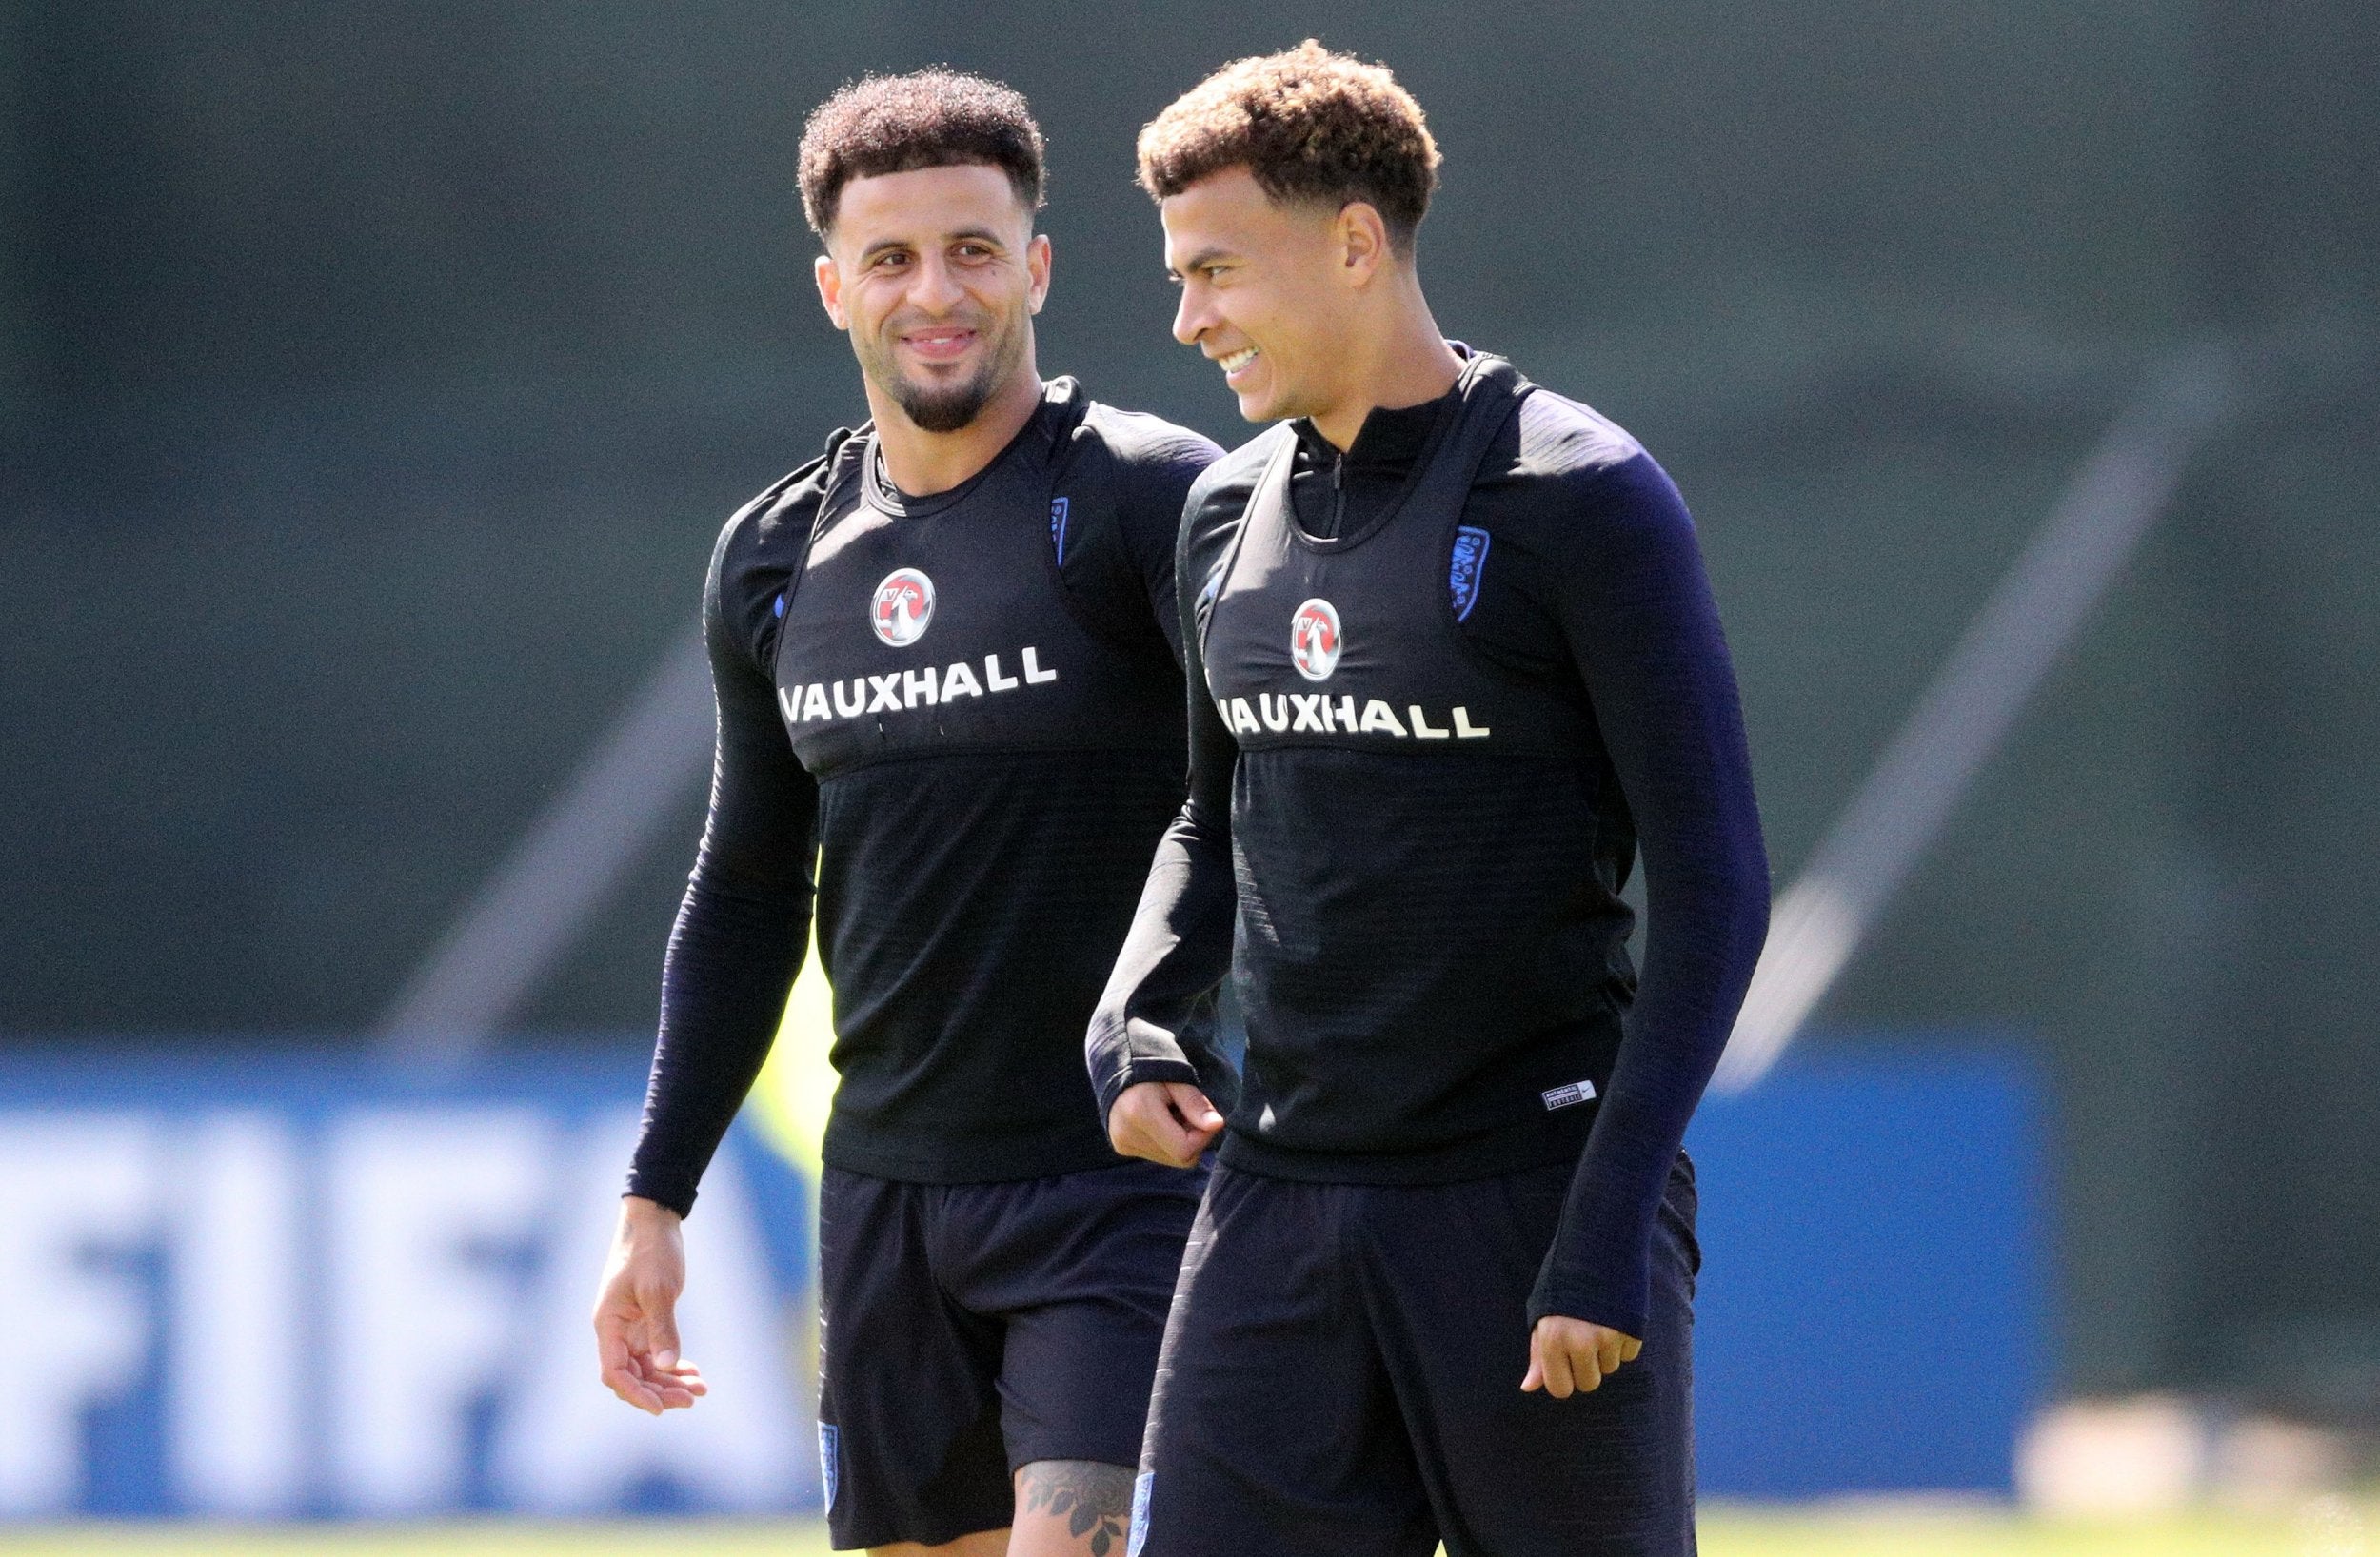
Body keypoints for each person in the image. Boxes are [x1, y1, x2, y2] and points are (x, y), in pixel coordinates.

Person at [1089, 43, 1770, 1557]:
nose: (1187, 319)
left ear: (1352, 242)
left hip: (1533, 1209)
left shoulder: (1579, 494)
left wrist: (1604, 1232)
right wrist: (1134, 1015)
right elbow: (1213, 823)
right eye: (1177, 276)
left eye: (1216, 271)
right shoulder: (1219, 515)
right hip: (1275, 1208)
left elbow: (1716, 888)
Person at [593, 70, 1225, 1557]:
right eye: (892, 259)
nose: (935, 293)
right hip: (884, 1212)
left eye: (974, 250)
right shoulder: (773, 554)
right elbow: (747, 887)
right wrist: (655, 1197)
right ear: (834, 288)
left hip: (1115, 1186)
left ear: (1039, 268)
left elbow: (1270, 809)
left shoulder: (1153, 500)